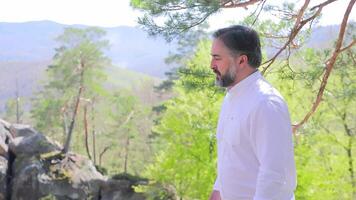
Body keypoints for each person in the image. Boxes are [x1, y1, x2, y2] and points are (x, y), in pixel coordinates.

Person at [209, 25, 297, 200]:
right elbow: (232, 160)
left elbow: (274, 176)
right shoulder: (231, 98)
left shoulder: (266, 103)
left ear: (242, 61)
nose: (211, 65)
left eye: (217, 58)